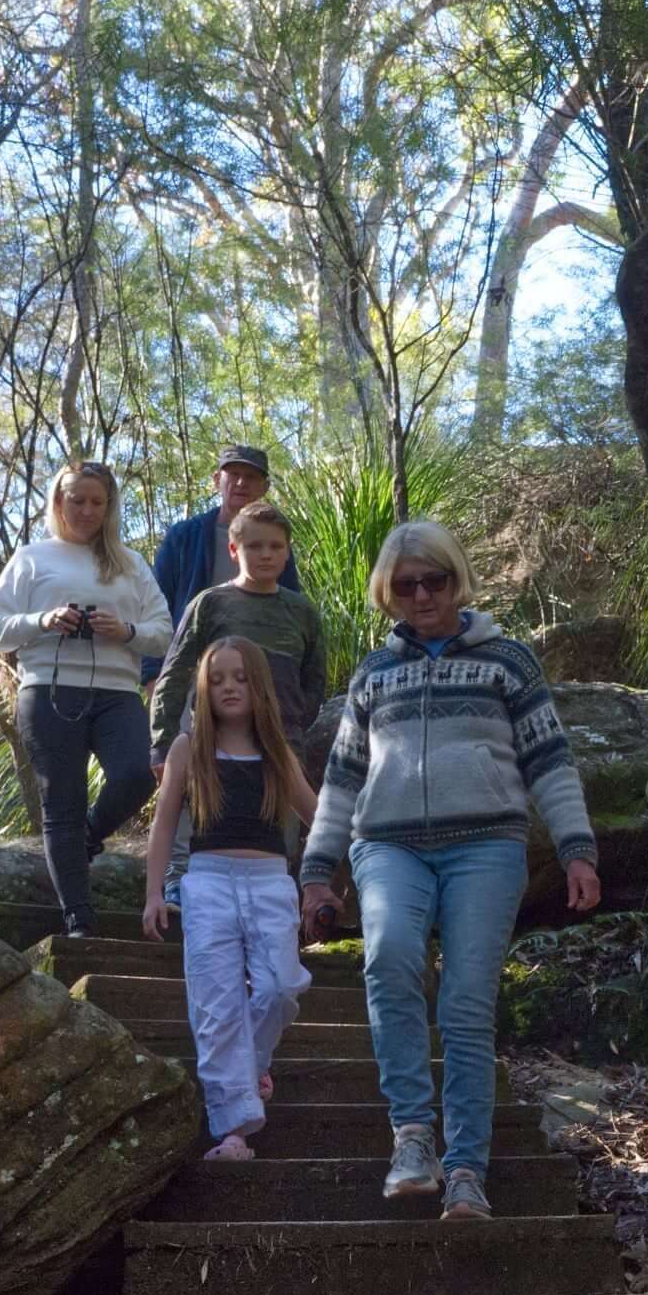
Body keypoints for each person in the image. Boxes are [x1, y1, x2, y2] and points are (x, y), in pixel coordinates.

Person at [298, 520, 600, 1220]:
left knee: (466, 1002)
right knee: (391, 958)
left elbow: (550, 762)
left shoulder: (508, 663)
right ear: (389, 593)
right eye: (407, 584)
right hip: (389, 846)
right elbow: (341, 781)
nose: (423, 594)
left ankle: (466, 1169)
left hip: (486, 848)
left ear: (456, 579)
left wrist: (578, 849)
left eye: (435, 579)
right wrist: (318, 872)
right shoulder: (375, 673)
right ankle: (412, 1137)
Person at [141, 638, 320, 1160]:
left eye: (239, 677)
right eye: (217, 679)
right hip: (208, 883)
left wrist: (332, 872)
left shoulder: (275, 752)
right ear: (203, 688)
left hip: (269, 882)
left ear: (258, 684)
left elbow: (319, 817)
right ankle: (235, 1130)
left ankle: (254, 1065)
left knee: (280, 987)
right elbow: (164, 823)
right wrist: (154, 892)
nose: (228, 687)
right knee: (217, 1007)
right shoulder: (187, 748)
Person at [0, 462, 171, 937]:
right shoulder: (31, 557)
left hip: (116, 691)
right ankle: (79, 919)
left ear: (109, 508)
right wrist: (42, 621)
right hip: (46, 689)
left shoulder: (129, 561)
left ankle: (84, 837)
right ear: (58, 502)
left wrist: (124, 631)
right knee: (60, 803)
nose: (85, 510)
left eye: (96, 502)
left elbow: (164, 634)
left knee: (135, 773)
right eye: (76, 500)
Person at [149, 501, 332, 763]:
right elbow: (175, 675)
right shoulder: (209, 604)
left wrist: (292, 723)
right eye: (255, 546)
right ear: (234, 550)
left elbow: (314, 681)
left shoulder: (303, 611)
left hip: (284, 748)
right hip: (215, 749)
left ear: (287, 552)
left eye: (276, 546)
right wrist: (162, 748)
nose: (266, 554)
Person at [145, 442, 300, 681]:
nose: (241, 483)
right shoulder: (185, 537)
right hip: (191, 674)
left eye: (250, 476)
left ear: (265, 487)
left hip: (259, 675)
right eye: (234, 474)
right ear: (217, 480)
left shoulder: (277, 543)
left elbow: (290, 612)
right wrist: (152, 677)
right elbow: (156, 606)